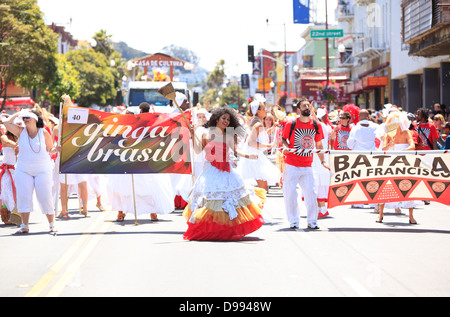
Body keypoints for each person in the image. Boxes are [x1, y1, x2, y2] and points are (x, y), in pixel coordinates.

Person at [183, 107, 265, 241]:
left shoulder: (230, 134)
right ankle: (210, 231)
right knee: (211, 200)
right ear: (216, 119)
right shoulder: (206, 134)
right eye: (223, 118)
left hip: (226, 171)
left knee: (227, 199)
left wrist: (249, 155)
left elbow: (237, 151)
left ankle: (226, 231)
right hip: (210, 171)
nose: (226, 121)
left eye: (228, 119)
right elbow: (198, 151)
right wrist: (192, 135)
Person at [2, 109, 58, 234]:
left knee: (44, 195)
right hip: (23, 169)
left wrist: (56, 149)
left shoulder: (43, 132)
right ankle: (25, 225)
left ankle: (51, 224)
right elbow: (5, 122)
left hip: (42, 169)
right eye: (24, 118)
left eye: (28, 117)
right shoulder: (20, 131)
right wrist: (18, 114)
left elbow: (51, 149)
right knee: (23, 195)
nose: (25, 120)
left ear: (35, 119)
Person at [281, 99, 330, 230]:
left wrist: (323, 161)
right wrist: (286, 147)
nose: (307, 107)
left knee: (311, 193)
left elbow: (318, 144)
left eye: (308, 105)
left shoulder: (316, 125)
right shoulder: (290, 124)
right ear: (299, 109)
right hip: (291, 164)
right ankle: (293, 221)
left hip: (308, 165)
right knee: (290, 194)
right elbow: (283, 139)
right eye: (304, 106)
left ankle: (312, 221)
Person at [376, 112, 419, 224]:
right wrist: (390, 145)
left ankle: (411, 216)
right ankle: (380, 214)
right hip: (390, 164)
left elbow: (412, 146)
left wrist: (401, 152)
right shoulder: (388, 134)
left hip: (405, 163)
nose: (395, 126)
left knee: (408, 187)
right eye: (392, 123)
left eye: (397, 123)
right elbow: (383, 149)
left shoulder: (407, 133)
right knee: (386, 186)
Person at [236, 100, 279, 192]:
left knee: (262, 187)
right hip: (255, 157)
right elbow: (251, 142)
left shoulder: (255, 121)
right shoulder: (258, 123)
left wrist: (272, 128)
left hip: (254, 155)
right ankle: (258, 206)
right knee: (263, 188)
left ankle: (258, 205)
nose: (266, 110)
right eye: (263, 109)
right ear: (258, 111)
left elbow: (258, 136)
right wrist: (268, 145)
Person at [0, 129, 18, 225]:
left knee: (15, 195)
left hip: (15, 171)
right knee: (6, 195)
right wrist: (17, 145)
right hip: (6, 171)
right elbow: (6, 142)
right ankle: (5, 217)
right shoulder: (4, 137)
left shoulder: (18, 137)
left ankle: (13, 216)